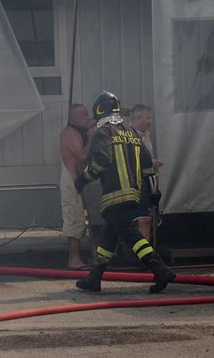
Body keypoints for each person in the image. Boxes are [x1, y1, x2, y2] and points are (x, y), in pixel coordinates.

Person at [74, 91, 175, 293]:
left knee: (131, 236)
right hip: (134, 194)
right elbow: (148, 166)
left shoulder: (103, 133)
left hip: (115, 195)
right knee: (108, 239)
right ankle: (94, 278)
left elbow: (102, 161)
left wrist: (83, 179)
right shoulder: (131, 132)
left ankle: (160, 269)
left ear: (100, 110)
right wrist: (154, 193)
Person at [60, 104, 96, 269]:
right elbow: (82, 156)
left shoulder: (78, 131)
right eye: (83, 115)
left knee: (82, 221)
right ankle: (73, 260)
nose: (87, 118)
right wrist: (91, 137)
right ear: (74, 118)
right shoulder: (70, 133)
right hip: (71, 180)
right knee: (74, 219)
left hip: (80, 181)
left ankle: (86, 257)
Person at [130, 104, 163, 241]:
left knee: (148, 219)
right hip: (136, 184)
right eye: (147, 118)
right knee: (142, 220)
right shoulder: (128, 135)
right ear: (137, 118)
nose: (150, 121)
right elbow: (130, 161)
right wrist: (150, 163)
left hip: (149, 183)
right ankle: (143, 257)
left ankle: (148, 253)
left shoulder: (147, 135)